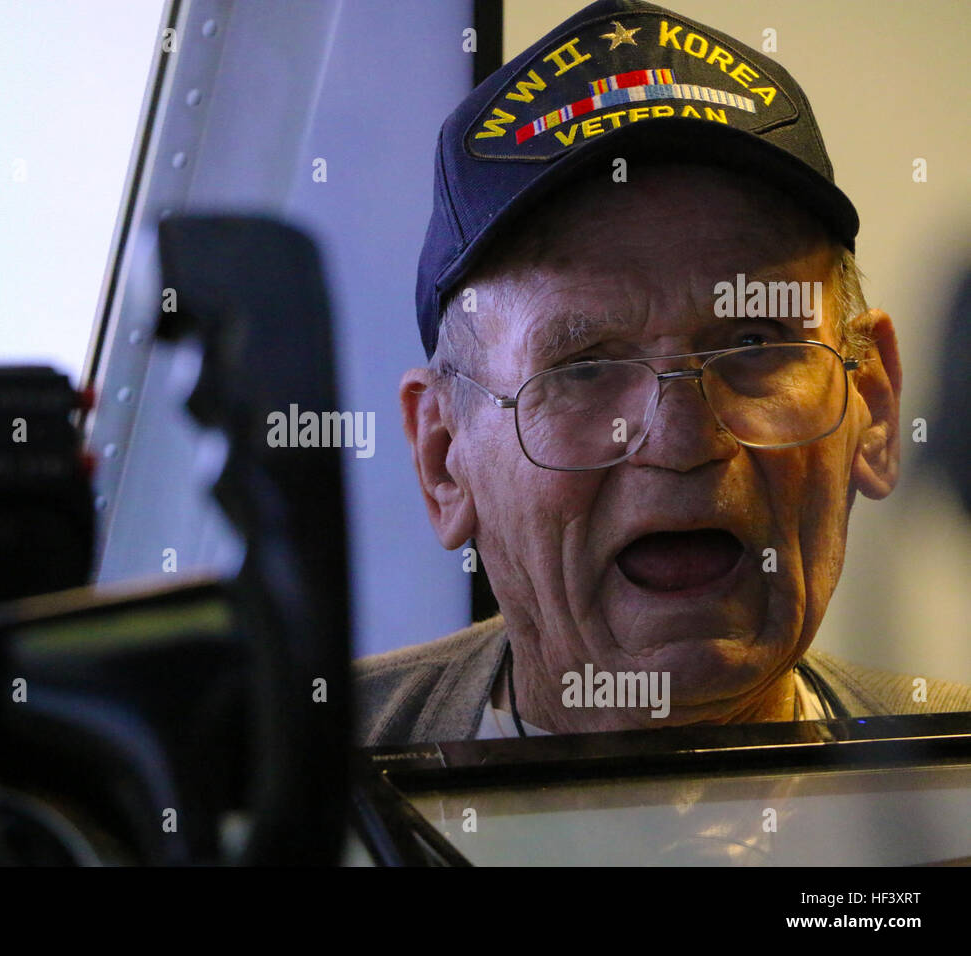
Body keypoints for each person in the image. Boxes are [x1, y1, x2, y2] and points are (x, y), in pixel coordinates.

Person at [356, 0, 971, 746]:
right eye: (585, 367)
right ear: (443, 461)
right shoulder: (270, 796)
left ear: (872, 404)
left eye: (753, 341)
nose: (683, 440)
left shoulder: (950, 786)